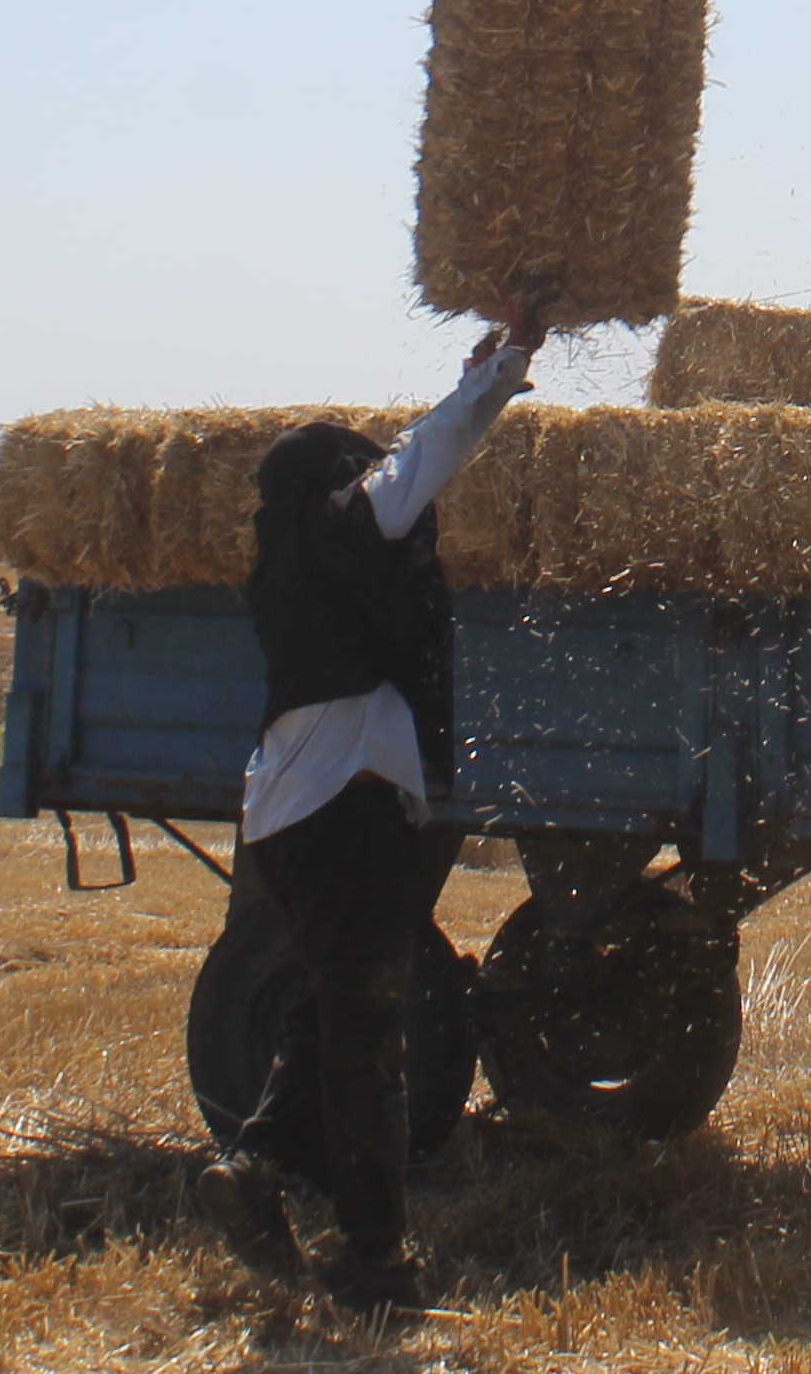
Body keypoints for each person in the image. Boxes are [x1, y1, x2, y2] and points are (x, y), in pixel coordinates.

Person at [192, 282, 551, 1316]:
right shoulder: (350, 521)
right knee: (366, 1032)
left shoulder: (287, 551)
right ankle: (375, 1257)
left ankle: (254, 1165)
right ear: (337, 481)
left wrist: (472, 374)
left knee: (325, 1006)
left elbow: (401, 460)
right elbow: (426, 455)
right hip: (353, 805)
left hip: (289, 813)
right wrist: (508, 361)